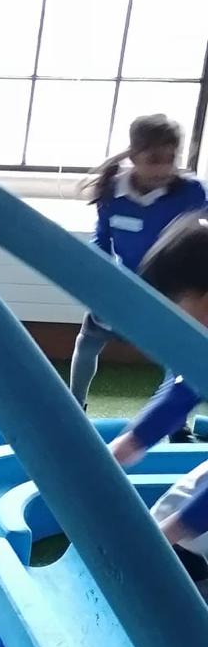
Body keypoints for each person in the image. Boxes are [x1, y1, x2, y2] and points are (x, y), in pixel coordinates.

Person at [70, 115, 205, 426]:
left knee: (178, 357)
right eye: (154, 160)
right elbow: (102, 238)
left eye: (170, 159)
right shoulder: (112, 191)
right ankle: (74, 408)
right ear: (133, 156)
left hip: (172, 293)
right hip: (124, 287)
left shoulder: (190, 193)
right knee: (88, 341)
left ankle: (177, 425)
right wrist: (98, 278)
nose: (162, 169)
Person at [109, 213, 208, 597]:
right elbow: (182, 391)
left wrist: (168, 536)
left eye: (174, 314)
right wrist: (123, 448)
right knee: (170, 514)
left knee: (179, 527)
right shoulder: (198, 341)